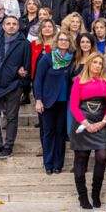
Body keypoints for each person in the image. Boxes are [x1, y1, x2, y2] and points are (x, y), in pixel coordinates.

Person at [70, 52, 106, 209]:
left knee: (102, 157)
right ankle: (82, 196)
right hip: (82, 124)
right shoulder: (79, 81)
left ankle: (96, 194)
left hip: (101, 123)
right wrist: (86, 123)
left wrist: (103, 122)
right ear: (89, 63)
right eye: (95, 62)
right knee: (81, 158)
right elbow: (73, 106)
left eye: (100, 63)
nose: (98, 65)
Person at [0, 16, 29, 159]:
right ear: (3, 26)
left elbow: (27, 67)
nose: (11, 26)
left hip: (13, 87)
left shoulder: (24, 44)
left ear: (18, 26)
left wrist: (20, 82)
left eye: (14, 24)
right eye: (8, 24)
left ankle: (8, 146)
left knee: (11, 117)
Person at [35, 32, 76, 174]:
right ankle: (48, 163)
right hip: (48, 101)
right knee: (48, 132)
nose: (63, 42)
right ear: (56, 41)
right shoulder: (48, 58)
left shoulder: (72, 60)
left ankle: (59, 164)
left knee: (60, 133)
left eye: (66, 40)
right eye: (61, 39)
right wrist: (38, 100)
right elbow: (38, 80)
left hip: (65, 101)